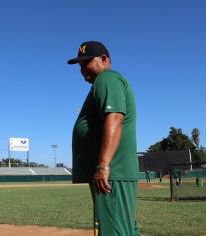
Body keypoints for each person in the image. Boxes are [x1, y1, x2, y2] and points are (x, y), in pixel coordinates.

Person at [69, 41, 140, 236]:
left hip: (111, 174)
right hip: (114, 174)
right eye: (80, 66)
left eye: (87, 63)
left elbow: (115, 118)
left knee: (112, 231)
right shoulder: (107, 81)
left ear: (105, 59)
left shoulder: (107, 78)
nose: (83, 70)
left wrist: (103, 166)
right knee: (123, 230)